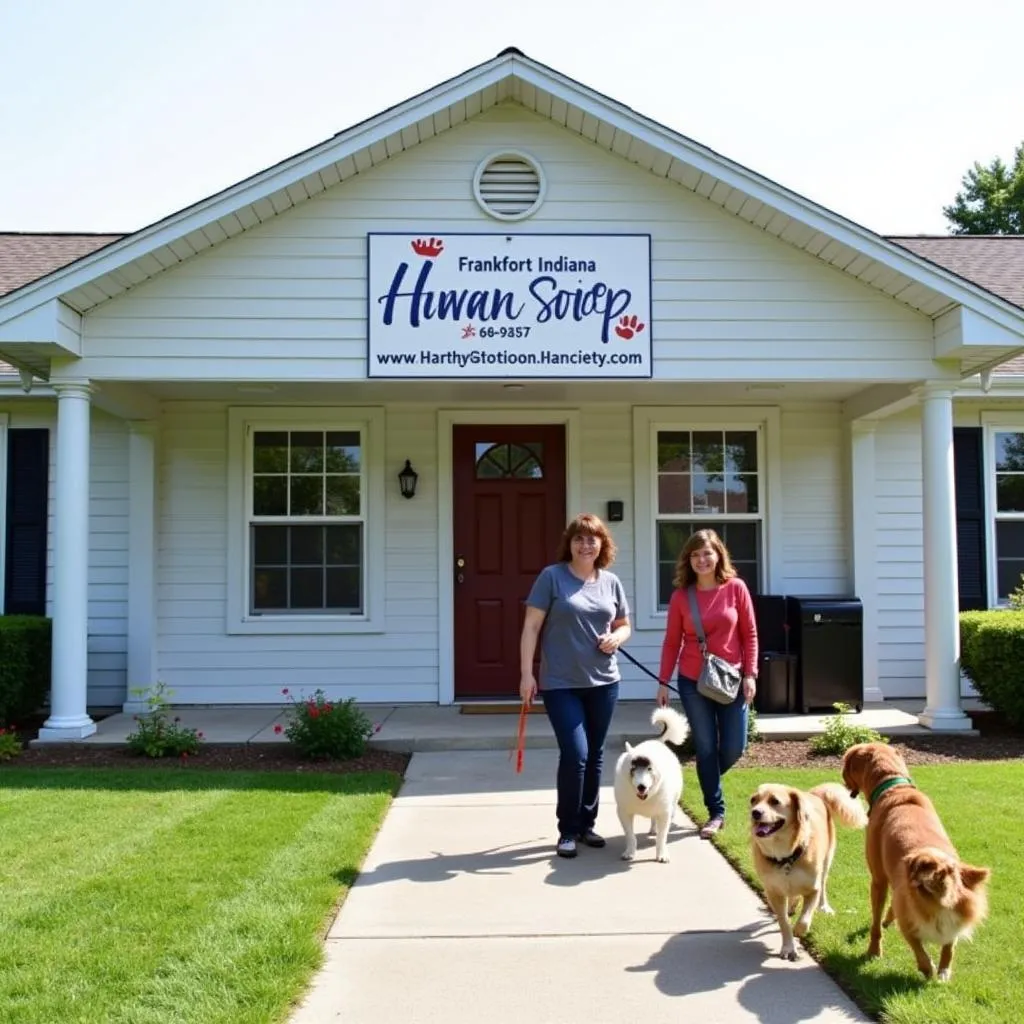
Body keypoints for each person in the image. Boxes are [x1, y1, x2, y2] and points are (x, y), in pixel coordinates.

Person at [520, 513, 632, 859]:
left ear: (602, 544)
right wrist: (527, 673)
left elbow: (625, 624)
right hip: (560, 684)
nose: (586, 545)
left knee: (595, 756)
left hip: (604, 682)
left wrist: (616, 637)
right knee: (576, 754)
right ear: (569, 544)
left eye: (592, 539)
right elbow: (531, 628)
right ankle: (567, 829)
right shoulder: (551, 578)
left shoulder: (611, 582)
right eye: (579, 539)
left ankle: (586, 825)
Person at [656, 528, 758, 839]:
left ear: (718, 556)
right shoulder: (680, 597)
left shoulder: (736, 588)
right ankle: (716, 812)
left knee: (733, 746)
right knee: (704, 744)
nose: (702, 559)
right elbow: (672, 642)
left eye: (707, 553)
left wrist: (750, 674)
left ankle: (706, 775)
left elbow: (749, 635)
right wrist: (663, 681)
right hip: (692, 680)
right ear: (688, 559)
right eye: (695, 555)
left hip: (730, 680)